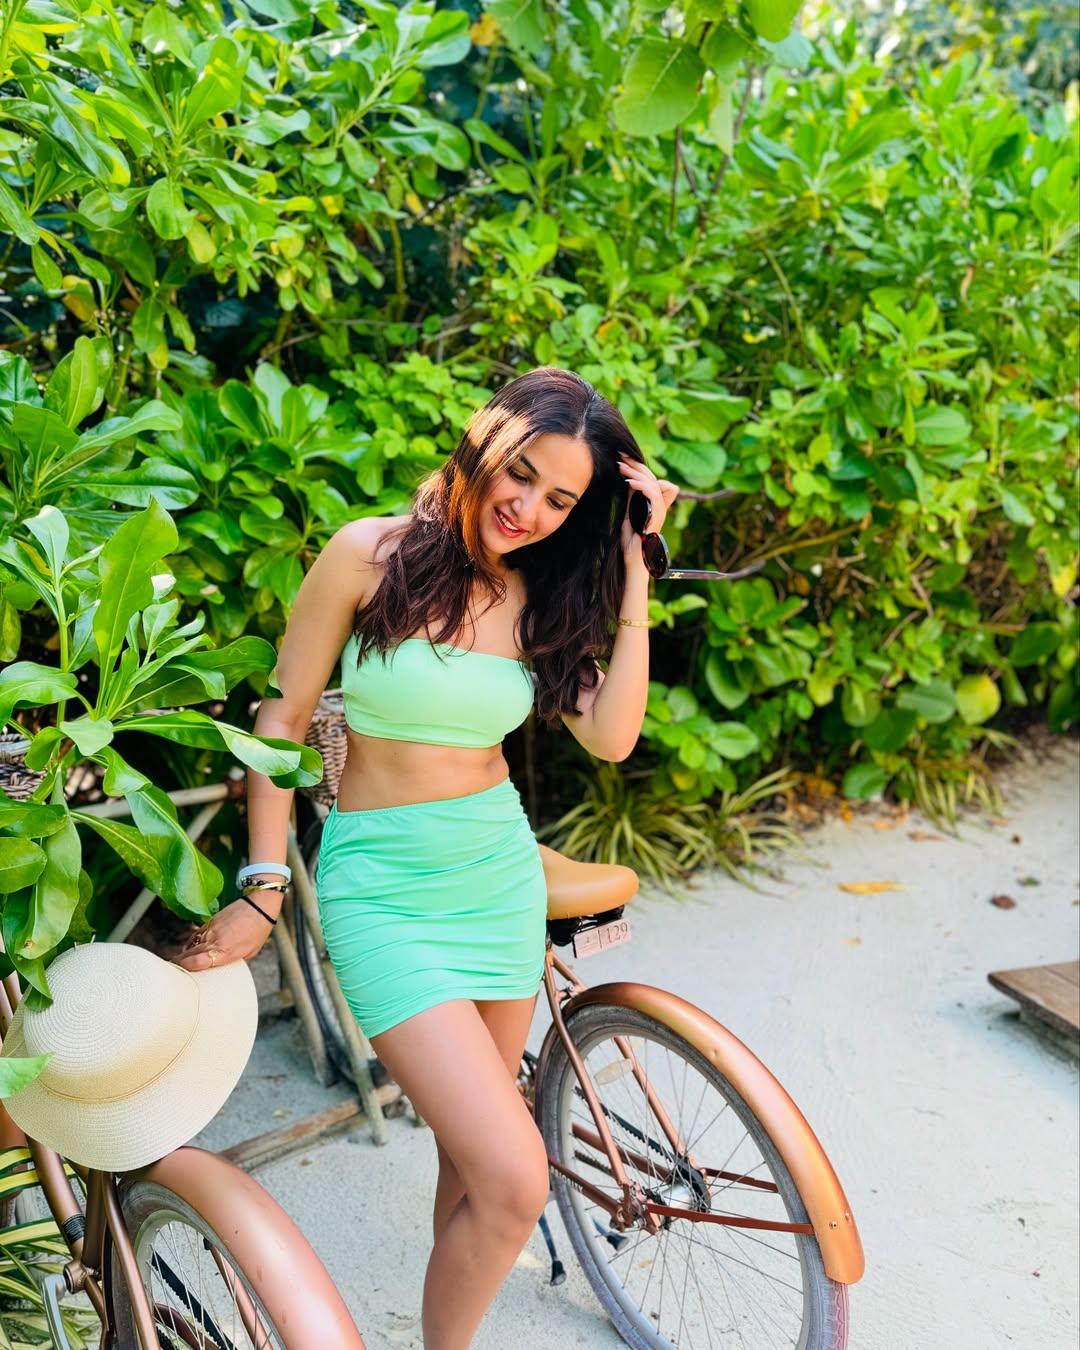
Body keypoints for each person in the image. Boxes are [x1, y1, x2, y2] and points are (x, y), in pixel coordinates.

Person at [177, 365, 677, 1348]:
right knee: (516, 1175)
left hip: (494, 876)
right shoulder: (369, 556)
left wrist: (633, 576)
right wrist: (265, 885)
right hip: (385, 893)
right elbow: (280, 720)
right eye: (520, 474)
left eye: (561, 498)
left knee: (472, 1166)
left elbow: (613, 738)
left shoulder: (539, 595)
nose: (528, 508)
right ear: (484, 443)